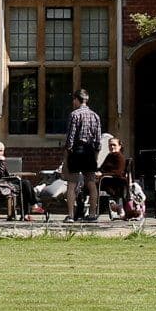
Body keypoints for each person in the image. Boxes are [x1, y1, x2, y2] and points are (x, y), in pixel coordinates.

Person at [62, 89, 104, 221]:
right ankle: (92, 214)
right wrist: (96, 155)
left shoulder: (74, 115)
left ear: (76, 99)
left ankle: (71, 215)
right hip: (90, 151)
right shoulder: (95, 116)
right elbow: (98, 139)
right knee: (91, 183)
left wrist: (66, 156)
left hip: (77, 150)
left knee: (72, 183)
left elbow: (70, 138)